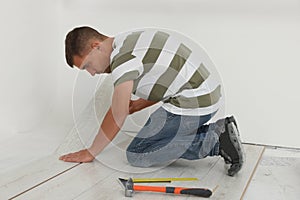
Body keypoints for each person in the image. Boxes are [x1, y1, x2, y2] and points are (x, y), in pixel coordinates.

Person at [59, 26, 244, 176]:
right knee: (158, 139)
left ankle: (217, 142)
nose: (92, 73)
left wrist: (91, 152)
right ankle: (220, 129)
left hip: (194, 102)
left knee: (138, 153)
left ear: (96, 46)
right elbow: (165, 79)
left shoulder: (122, 60)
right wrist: (139, 104)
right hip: (205, 96)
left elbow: (118, 113)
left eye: (87, 66)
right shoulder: (128, 40)